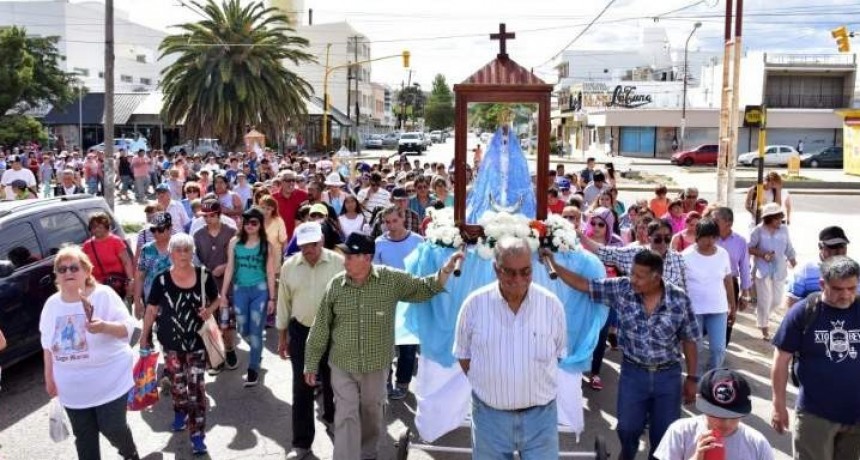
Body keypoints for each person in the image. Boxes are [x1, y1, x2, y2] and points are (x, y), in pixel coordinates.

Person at [303, 233, 463, 460]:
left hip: (376, 365)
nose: (344, 261)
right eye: (344, 255)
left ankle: (368, 454)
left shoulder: (390, 280)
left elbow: (424, 287)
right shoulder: (336, 285)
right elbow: (320, 326)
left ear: (367, 258)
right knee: (346, 415)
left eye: (350, 256)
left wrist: (446, 270)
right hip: (342, 364)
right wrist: (311, 363)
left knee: (372, 412)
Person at [544, 248, 700, 460]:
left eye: (639, 276)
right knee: (627, 428)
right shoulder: (621, 288)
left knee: (663, 434)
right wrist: (553, 263)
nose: (632, 279)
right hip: (633, 374)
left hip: (667, 377)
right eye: (632, 272)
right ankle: (627, 453)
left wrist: (692, 378)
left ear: (657, 277)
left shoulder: (679, 300)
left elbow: (689, 340)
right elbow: (584, 285)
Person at [454, 237, 567, 459]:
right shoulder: (474, 305)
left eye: (525, 272)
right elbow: (464, 356)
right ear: (496, 269)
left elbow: (558, 355)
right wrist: (493, 384)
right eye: (510, 272)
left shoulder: (551, 305)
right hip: (489, 419)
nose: (518, 279)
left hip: (541, 419)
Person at [39, 246, 139, 460]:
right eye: (62, 269)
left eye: (74, 267)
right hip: (73, 388)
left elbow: (130, 330)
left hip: (109, 380)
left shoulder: (103, 296)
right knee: (84, 438)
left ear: (86, 270)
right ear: (56, 275)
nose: (68, 273)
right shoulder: (52, 305)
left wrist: (103, 326)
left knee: (113, 427)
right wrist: (49, 378)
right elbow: (47, 346)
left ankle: (130, 454)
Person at [771, 256, 860, 460]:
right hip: (815, 415)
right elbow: (781, 360)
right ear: (822, 284)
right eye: (838, 289)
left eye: (852, 288)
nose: (846, 295)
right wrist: (778, 406)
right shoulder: (803, 312)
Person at [141, 234, 220, 456]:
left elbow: (218, 299)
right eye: (178, 250)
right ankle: (179, 411)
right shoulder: (162, 280)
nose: (183, 254)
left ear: (192, 252)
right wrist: (144, 335)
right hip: (171, 343)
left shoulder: (203, 276)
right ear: (171, 253)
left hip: (196, 343)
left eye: (187, 250)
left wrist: (209, 311)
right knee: (177, 384)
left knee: (196, 389)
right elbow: (151, 309)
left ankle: (197, 436)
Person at [277, 222, 344, 460]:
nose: (308, 250)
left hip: (334, 331)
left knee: (336, 383)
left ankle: (336, 426)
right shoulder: (289, 266)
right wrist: (282, 337)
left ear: (322, 241)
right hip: (301, 331)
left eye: (313, 245)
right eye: (304, 246)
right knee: (302, 387)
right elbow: (283, 302)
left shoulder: (339, 263)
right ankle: (301, 443)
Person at [654, 368, 773, 460]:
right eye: (717, 415)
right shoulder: (681, 432)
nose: (725, 423)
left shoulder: (757, 444)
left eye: (732, 416)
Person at [219, 207, 278, 386]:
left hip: (260, 291)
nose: (250, 225)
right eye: (247, 222)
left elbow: (270, 272)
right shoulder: (234, 242)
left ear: (260, 225)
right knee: (243, 330)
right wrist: (223, 295)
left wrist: (272, 298)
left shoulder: (266, 245)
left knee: (256, 331)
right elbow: (229, 268)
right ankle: (256, 350)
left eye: (254, 222)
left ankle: (253, 367)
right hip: (240, 290)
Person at [372, 205, 425, 400]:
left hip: (410, 301)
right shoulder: (379, 243)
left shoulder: (419, 241)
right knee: (385, 346)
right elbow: (374, 273)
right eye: (387, 222)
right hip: (386, 301)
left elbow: (424, 270)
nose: (391, 226)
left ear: (403, 219)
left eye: (394, 221)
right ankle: (385, 381)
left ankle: (403, 383)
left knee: (408, 349)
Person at [681, 218, 736, 374]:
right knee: (694, 348)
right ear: (697, 236)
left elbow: (728, 280)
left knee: (718, 348)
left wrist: (733, 306)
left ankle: (712, 377)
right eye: (706, 237)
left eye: (714, 237)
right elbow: (679, 285)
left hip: (718, 308)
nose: (710, 241)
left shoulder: (723, 254)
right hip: (693, 310)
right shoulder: (685, 256)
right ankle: (694, 377)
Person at [193, 200, 239, 374]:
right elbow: (194, 260)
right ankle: (216, 357)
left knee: (227, 323)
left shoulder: (232, 233)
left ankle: (230, 350)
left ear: (220, 215)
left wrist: (226, 266)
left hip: (228, 286)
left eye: (212, 215)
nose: (208, 219)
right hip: (206, 288)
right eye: (205, 216)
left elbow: (239, 258)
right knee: (210, 323)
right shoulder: (197, 235)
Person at [578, 219, 687, 289]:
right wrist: (580, 236)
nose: (663, 242)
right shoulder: (635, 253)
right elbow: (603, 251)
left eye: (667, 238)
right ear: (649, 238)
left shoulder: (678, 259)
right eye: (658, 238)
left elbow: (684, 290)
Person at [749, 203, 797, 340]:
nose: (779, 221)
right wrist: (763, 254)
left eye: (780, 218)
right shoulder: (758, 231)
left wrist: (792, 258)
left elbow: (789, 246)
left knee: (776, 300)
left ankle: (761, 314)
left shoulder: (784, 230)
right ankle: (764, 327)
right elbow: (749, 248)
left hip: (779, 269)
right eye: (776, 219)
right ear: (769, 218)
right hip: (762, 269)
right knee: (764, 300)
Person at [710, 207, 753, 345]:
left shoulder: (740, 241)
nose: (712, 223)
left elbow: (745, 267)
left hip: (730, 285)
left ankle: (720, 351)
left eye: (716, 220)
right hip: (709, 283)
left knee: (727, 320)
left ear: (728, 223)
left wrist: (745, 293)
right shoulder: (708, 239)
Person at [785, 226, 857, 308]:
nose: (839, 251)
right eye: (833, 247)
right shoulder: (805, 270)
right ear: (820, 246)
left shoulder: (854, 270)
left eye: (842, 246)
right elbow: (792, 301)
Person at [82, 212, 134, 299]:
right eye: (94, 227)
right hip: (97, 289)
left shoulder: (116, 241)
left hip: (118, 287)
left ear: (107, 227)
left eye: (100, 226)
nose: (97, 229)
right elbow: (84, 267)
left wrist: (130, 281)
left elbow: (127, 262)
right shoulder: (87, 246)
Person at [133, 212, 174, 319]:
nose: (156, 233)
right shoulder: (146, 250)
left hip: (176, 302)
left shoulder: (180, 247)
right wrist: (137, 302)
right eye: (153, 229)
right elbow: (139, 276)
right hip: (151, 302)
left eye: (160, 229)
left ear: (170, 229)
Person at [273, 169, 308, 241]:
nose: (291, 183)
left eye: (293, 180)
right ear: (281, 182)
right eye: (288, 180)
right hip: (279, 239)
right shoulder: (273, 198)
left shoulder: (303, 195)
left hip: (299, 239)